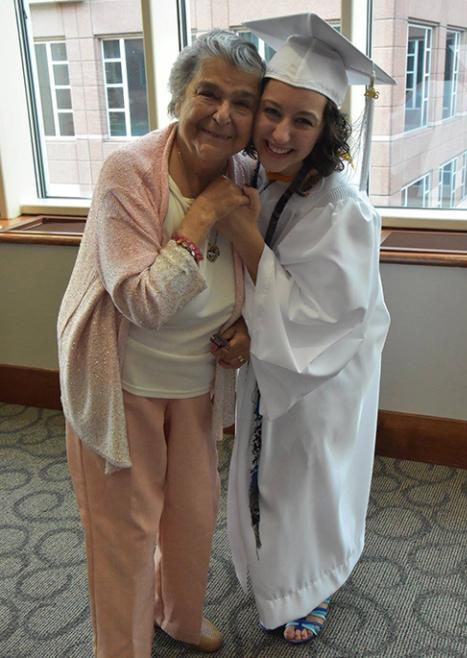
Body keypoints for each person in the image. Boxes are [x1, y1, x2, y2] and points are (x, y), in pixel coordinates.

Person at [57, 30, 264, 658]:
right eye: (208, 93)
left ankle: (177, 615)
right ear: (180, 96)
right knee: (123, 533)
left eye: (243, 102)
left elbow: (262, 271)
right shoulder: (129, 171)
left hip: (197, 386)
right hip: (121, 384)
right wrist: (202, 217)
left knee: (192, 517)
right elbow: (142, 302)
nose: (223, 115)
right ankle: (120, 648)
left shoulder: (247, 173)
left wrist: (248, 326)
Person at [213, 12, 395, 646]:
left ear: (326, 131)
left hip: (324, 369)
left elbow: (321, 316)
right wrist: (243, 321)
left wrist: (242, 235)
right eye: (271, 111)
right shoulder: (259, 176)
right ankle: (271, 572)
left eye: (303, 120)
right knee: (263, 470)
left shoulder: (344, 209)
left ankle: (312, 582)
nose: (280, 132)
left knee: (308, 470)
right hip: (274, 356)